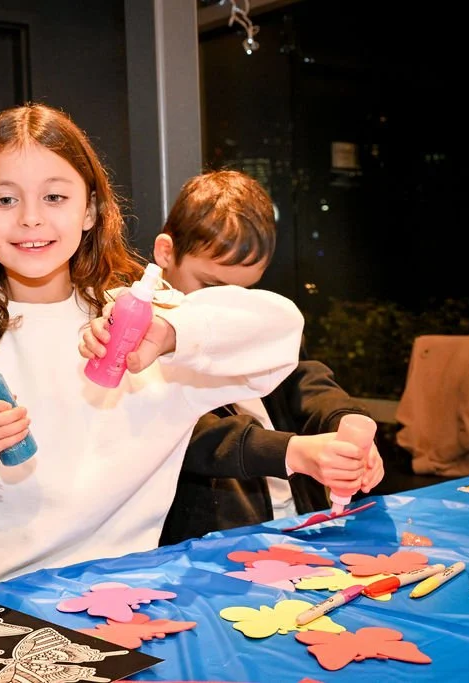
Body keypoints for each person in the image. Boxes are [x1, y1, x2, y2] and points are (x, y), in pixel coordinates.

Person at [0, 103, 305, 601]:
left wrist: (170, 334)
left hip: (117, 602)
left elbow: (280, 330)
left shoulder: (135, 322)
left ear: (89, 210)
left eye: (54, 196)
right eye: (5, 199)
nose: (31, 218)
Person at [154, 170, 385, 546]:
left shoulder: (258, 322)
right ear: (166, 252)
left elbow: (304, 378)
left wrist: (344, 423)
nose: (228, 305)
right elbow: (182, 431)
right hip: (210, 541)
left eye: (246, 290)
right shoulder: (142, 333)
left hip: (295, 524)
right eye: (210, 286)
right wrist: (292, 452)